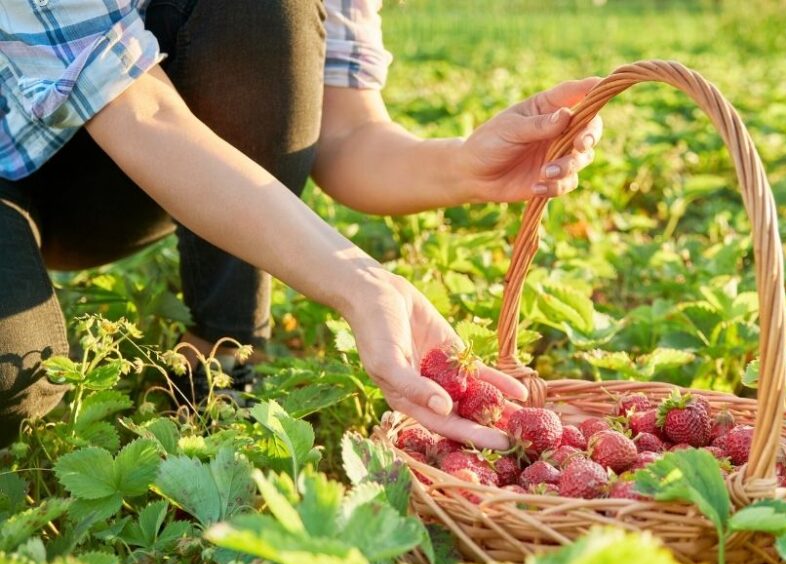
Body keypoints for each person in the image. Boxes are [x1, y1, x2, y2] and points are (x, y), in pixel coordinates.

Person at [0, 0, 602, 450]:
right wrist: (365, 284)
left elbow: (344, 130)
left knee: (264, 10)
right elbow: (141, 112)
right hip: (89, 135)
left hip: (127, 173)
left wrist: (464, 165)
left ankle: (221, 360)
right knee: (17, 383)